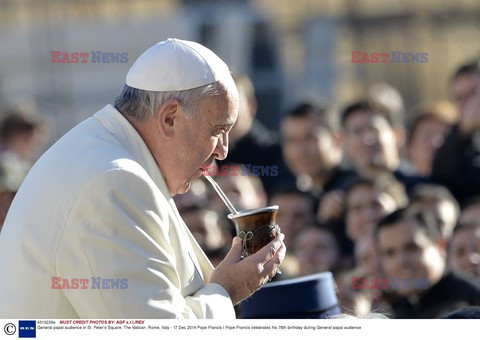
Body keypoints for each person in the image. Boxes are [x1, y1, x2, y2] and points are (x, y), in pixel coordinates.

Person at [0, 39, 286, 319]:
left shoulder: (109, 155)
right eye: (216, 130)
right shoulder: (113, 181)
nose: (223, 151)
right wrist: (226, 291)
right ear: (170, 118)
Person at [375, 206, 480, 318]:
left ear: (440, 245)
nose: (401, 261)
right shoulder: (399, 311)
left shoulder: (472, 302)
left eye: (411, 248)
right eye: (390, 253)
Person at [432, 60, 480, 204]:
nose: (468, 104)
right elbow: (443, 171)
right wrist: (463, 131)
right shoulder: (456, 141)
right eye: (460, 98)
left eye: (473, 93)